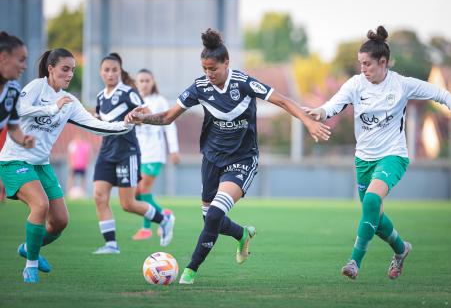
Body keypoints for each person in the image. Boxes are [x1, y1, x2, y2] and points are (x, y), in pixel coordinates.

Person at [125, 28, 331, 284]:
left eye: (213, 68)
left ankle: (190, 270)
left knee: (213, 216)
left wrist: (308, 123)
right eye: (204, 69)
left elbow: (284, 101)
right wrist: (141, 118)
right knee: (211, 218)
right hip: (212, 159)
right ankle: (242, 234)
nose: (209, 74)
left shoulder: (243, 83)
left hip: (242, 159)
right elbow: (167, 117)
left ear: (226, 63)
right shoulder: (200, 87)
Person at [305, 26, 451, 280]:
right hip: (363, 160)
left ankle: (354, 261)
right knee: (374, 217)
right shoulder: (356, 85)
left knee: (372, 202)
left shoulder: (402, 85)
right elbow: (332, 106)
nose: (362, 69)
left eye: (367, 64)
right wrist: (318, 113)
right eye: (360, 64)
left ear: (383, 62)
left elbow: (441, 93)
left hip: (393, 156)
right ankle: (401, 249)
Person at [0, 48, 133, 283]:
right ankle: (30, 265)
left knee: (60, 221)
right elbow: (19, 110)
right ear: (51, 69)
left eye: (72, 69)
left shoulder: (70, 101)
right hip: (14, 160)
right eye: (65, 69)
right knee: (40, 205)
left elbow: (96, 125)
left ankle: (28, 248)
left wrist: (129, 123)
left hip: (41, 164)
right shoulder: (35, 88)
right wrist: (52, 108)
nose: (70, 74)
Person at [92, 53, 175, 254]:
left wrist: (137, 116)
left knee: (128, 204)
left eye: (114, 70)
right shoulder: (100, 97)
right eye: (106, 70)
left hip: (126, 152)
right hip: (105, 152)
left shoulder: (129, 93)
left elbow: (147, 115)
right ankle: (111, 244)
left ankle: (164, 220)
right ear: (100, 72)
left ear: (120, 72)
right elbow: (98, 121)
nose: (110, 73)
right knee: (99, 196)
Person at [131, 69, 181, 243]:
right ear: (136, 83)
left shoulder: (159, 101)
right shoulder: (133, 100)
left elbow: (170, 125)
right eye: (141, 81)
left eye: (147, 80)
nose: (144, 83)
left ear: (152, 82)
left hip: (154, 153)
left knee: (144, 191)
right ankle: (164, 215)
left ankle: (146, 229)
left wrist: (173, 150)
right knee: (135, 194)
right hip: (137, 154)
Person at [0, 32, 33, 202]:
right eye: (21, 60)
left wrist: (25, 140)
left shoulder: (13, 91)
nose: (25, 66)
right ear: (4, 57)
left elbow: (13, 127)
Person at [67, 133, 91, 198]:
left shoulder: (86, 145)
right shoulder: (73, 145)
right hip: (74, 165)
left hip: (83, 165)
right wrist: (71, 164)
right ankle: (69, 192)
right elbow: (70, 156)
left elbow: (88, 155)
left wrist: (87, 163)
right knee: (71, 178)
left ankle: (83, 193)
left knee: (83, 179)